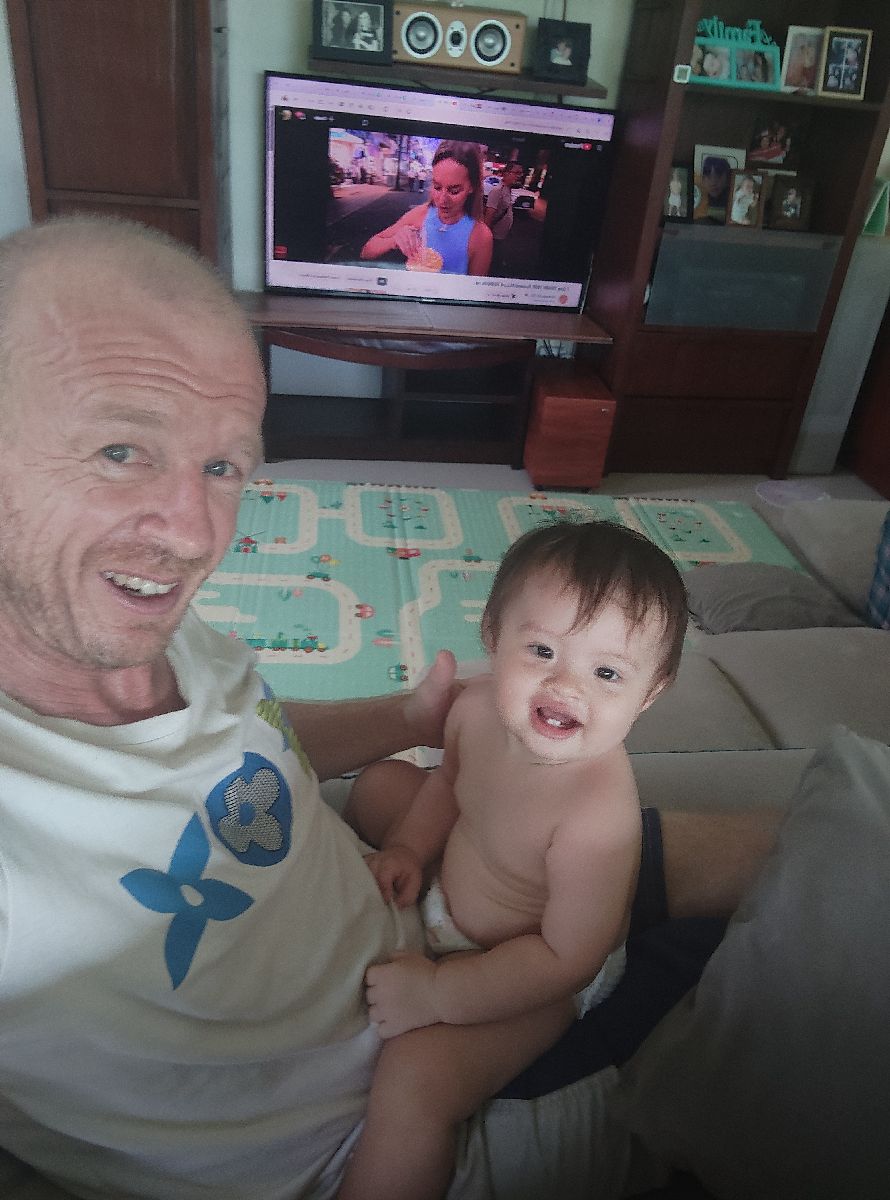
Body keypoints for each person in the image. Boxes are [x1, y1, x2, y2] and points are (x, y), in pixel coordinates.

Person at [0, 214, 784, 1200]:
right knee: (816, 951)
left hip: (430, 919)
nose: (197, 534)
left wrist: (414, 718)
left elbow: (241, 741)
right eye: (122, 449)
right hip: (399, 1121)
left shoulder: (145, 627)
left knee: (752, 839)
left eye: (225, 466)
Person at [337, 522, 689, 1199]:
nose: (566, 685)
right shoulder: (474, 709)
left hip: (529, 968)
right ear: (494, 638)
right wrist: (410, 848)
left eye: (607, 673)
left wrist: (440, 995)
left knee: (415, 1080)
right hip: (455, 876)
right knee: (381, 783)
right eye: (543, 649)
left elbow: (566, 958)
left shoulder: (597, 816)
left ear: (648, 693)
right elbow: (448, 783)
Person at [360, 140, 493, 275]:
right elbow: (366, 251)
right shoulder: (421, 214)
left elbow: (473, 287)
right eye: (437, 187)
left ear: (472, 187)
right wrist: (393, 241)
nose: (442, 200)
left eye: (454, 191)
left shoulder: (481, 236)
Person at [483, 160, 526, 275]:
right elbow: (489, 216)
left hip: (501, 237)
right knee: (493, 266)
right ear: (506, 173)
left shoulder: (507, 189)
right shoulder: (497, 191)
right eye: (517, 173)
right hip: (494, 238)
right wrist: (486, 241)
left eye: (521, 173)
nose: (520, 176)